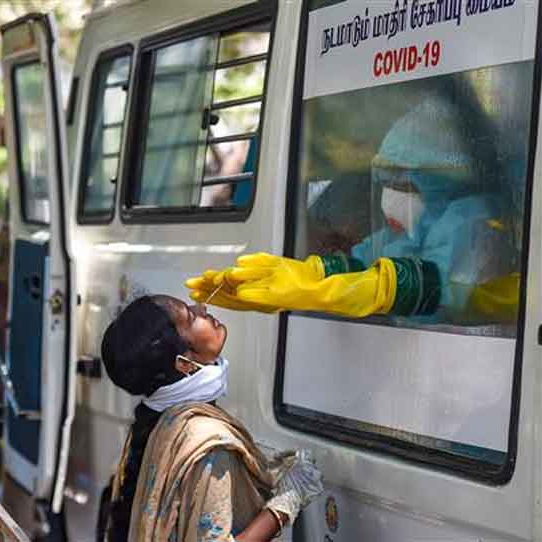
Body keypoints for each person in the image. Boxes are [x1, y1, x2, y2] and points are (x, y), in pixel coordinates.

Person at [188, 96, 517, 323]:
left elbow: (446, 286)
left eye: (404, 184)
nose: (390, 197)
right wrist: (311, 273)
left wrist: (325, 293)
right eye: (385, 182)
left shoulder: (470, 221)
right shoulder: (408, 232)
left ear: (441, 182)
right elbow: (366, 262)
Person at [101, 295, 323, 542]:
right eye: (190, 316)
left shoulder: (157, 424)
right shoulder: (206, 443)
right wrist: (285, 504)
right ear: (184, 364)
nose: (202, 308)